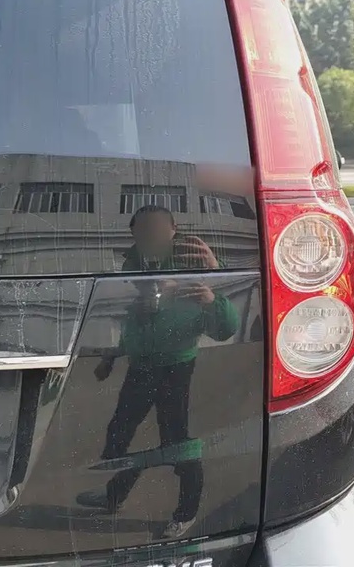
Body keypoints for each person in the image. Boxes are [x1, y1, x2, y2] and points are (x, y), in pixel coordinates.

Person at [81, 205, 239, 540]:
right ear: (134, 234)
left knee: (177, 443)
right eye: (143, 230)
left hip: (177, 367)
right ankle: (113, 496)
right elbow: (134, 320)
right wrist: (112, 355)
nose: (150, 236)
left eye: (157, 229)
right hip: (140, 367)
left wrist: (212, 294)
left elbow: (226, 327)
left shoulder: (193, 259)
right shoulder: (134, 263)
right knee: (119, 434)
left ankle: (186, 512)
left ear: (173, 230)